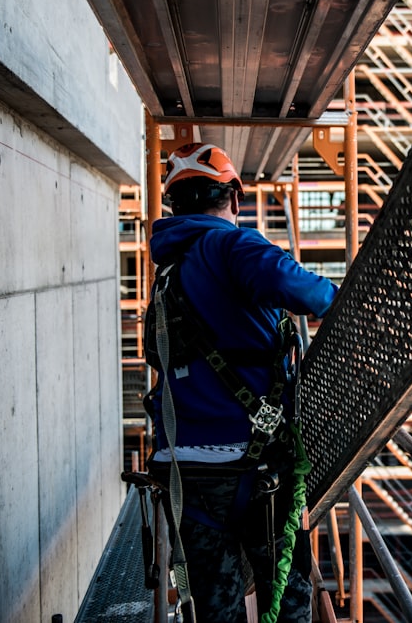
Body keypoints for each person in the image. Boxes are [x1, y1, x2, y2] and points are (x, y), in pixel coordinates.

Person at [145, 142, 338, 623]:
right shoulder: (231, 245)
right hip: (253, 467)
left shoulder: (167, 276)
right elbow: (301, 290)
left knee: (213, 605)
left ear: (175, 205)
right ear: (235, 197)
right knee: (288, 594)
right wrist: (347, 300)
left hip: (182, 471)